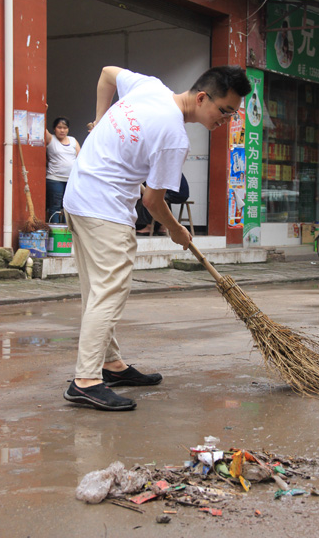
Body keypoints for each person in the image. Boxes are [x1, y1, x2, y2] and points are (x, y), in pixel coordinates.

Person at [62, 64, 251, 411]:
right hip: (104, 211)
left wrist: (100, 119)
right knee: (109, 293)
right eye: (224, 111)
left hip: (78, 197)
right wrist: (176, 229)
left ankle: (111, 365)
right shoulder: (174, 137)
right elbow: (152, 201)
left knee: (96, 291)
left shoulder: (150, 87)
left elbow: (106, 73)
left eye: (232, 115)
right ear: (201, 97)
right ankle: (85, 381)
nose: (225, 120)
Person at [46, 116, 80, 223]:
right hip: (55, 179)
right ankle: (55, 229)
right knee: (55, 206)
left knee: (69, 206)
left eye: (65, 128)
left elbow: (80, 157)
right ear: (54, 128)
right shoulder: (51, 139)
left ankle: (67, 229)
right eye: (59, 127)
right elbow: (41, 125)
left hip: (71, 180)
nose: (62, 130)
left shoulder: (73, 140)